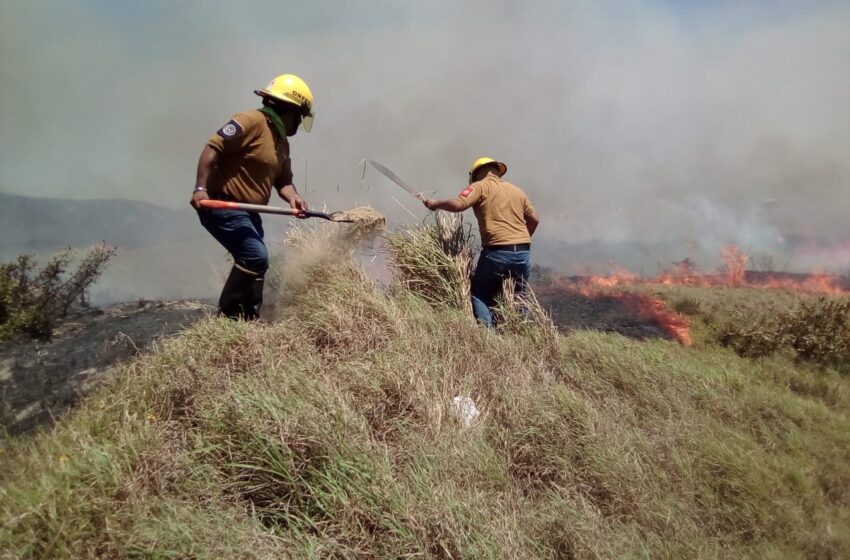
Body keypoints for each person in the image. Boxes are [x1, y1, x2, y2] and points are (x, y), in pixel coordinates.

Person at [190, 74, 313, 319]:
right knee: (255, 256)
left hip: (249, 213)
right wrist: (200, 188)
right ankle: (226, 319)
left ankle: (249, 319)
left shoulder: (281, 143)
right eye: (300, 116)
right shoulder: (250, 121)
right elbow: (213, 148)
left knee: (259, 265)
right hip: (223, 205)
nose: (299, 124)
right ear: (289, 110)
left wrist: (294, 197)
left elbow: (283, 181)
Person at [423, 157, 540, 327]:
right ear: (497, 170)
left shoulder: (480, 186)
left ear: (477, 173)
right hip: (523, 252)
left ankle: (488, 338)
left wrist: (436, 203)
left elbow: (458, 204)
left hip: (497, 252)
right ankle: (526, 333)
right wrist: (521, 239)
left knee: (480, 295)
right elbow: (534, 219)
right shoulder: (517, 190)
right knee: (520, 296)